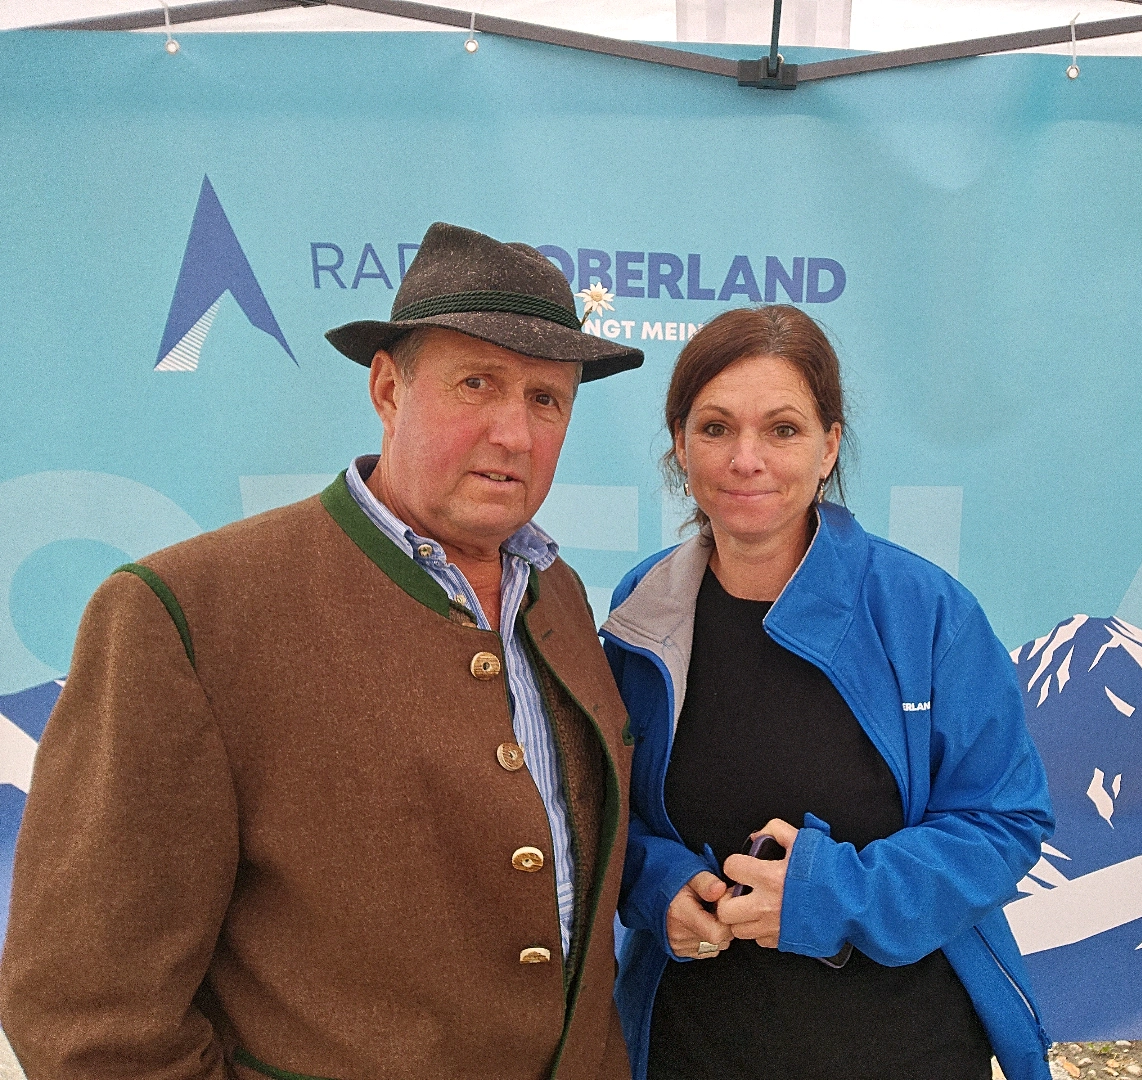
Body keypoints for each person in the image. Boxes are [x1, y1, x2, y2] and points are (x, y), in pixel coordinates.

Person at [0, 224, 641, 1080]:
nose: (515, 434)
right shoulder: (185, 612)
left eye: (545, 400)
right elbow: (90, 1014)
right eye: (476, 384)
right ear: (387, 389)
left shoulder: (555, 590)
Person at [600, 305, 1055, 1080]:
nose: (746, 459)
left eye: (782, 429)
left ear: (829, 446)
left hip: (903, 1048)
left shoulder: (925, 612)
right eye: (715, 428)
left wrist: (831, 895)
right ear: (680, 444)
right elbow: (611, 811)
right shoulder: (644, 608)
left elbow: (1004, 821)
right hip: (692, 1045)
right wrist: (657, 883)